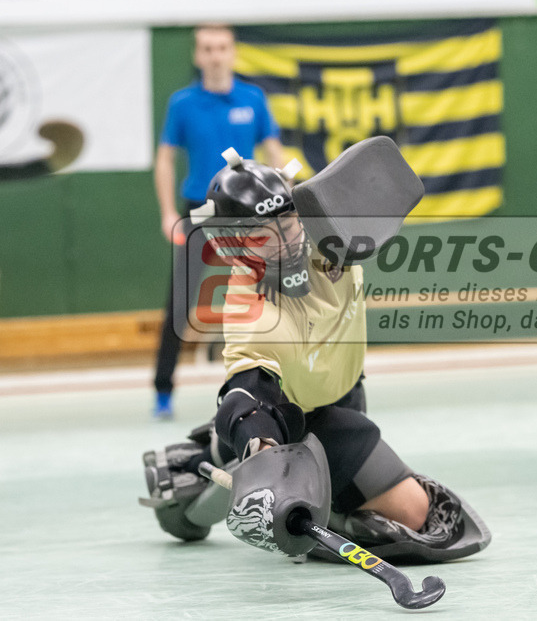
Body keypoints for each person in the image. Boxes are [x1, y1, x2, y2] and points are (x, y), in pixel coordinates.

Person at [139, 154, 490, 564]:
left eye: (287, 223)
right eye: (263, 236)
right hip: (308, 426)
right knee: (415, 514)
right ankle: (221, 465)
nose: (285, 241)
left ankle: (205, 457)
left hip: (347, 393)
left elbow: (376, 184)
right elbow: (248, 392)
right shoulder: (249, 308)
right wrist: (261, 446)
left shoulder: (328, 239)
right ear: (234, 246)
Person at [152, 23, 284, 419]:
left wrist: (283, 199)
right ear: (197, 55)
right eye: (207, 48)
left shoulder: (253, 98)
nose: (215, 55)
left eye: (222, 47)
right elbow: (165, 158)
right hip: (198, 209)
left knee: (269, 297)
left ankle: (276, 386)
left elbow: (274, 151)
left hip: (246, 212)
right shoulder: (182, 103)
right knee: (180, 303)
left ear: (233, 53)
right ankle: (162, 392)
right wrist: (167, 213)